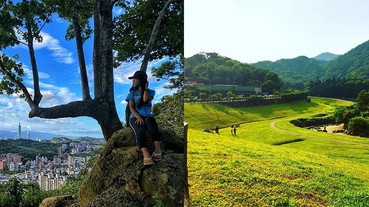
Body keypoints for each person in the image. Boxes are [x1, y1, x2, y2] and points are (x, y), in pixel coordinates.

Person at [126, 70, 162, 166]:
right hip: (135, 117)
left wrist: (145, 88)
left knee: (153, 125)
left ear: (141, 80)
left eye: (135, 80)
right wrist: (138, 117)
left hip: (148, 116)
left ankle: (158, 149)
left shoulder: (151, 92)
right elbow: (131, 108)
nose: (133, 81)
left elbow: (146, 100)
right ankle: (145, 153)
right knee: (140, 130)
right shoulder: (132, 93)